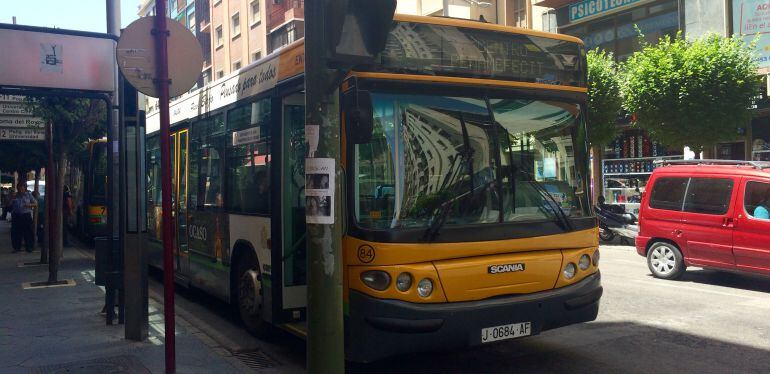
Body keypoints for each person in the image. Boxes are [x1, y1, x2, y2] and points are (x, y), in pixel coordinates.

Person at [11, 182, 36, 253]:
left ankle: (29, 247)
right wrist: (11, 198)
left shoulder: (28, 195)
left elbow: (35, 203)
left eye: (22, 188)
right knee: (16, 232)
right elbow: (9, 204)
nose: (21, 190)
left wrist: (29, 205)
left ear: (25, 188)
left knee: (28, 232)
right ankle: (16, 247)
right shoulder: (15, 195)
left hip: (26, 215)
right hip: (16, 215)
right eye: (19, 188)